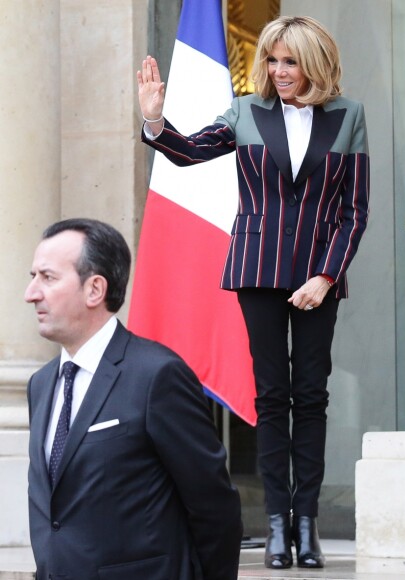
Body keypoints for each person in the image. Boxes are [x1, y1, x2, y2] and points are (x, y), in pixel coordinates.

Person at [138, 15, 370, 570]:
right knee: (271, 398)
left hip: (318, 276)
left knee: (311, 396)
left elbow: (354, 211)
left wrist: (326, 276)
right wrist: (153, 121)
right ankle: (275, 528)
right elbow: (189, 151)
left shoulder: (348, 115)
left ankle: (307, 526)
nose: (279, 71)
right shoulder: (245, 112)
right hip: (257, 270)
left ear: (313, 62)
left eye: (289, 61)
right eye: (272, 60)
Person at [25, 218, 243, 580]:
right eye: (33, 277)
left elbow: (213, 506)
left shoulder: (157, 375)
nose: (31, 293)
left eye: (47, 278)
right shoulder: (41, 384)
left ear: (95, 289)